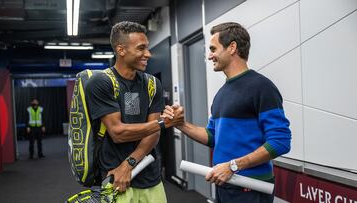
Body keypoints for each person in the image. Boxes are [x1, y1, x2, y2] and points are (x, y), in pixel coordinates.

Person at [162, 22, 292, 203]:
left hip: (249, 187)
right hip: (226, 184)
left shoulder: (262, 87)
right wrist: (180, 124)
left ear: (232, 47)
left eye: (213, 49)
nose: (209, 56)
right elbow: (213, 136)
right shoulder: (222, 94)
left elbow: (280, 142)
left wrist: (233, 166)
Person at [85, 21, 183, 202]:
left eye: (147, 48)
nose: (148, 54)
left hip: (150, 177)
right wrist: (162, 123)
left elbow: (154, 133)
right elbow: (118, 133)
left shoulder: (153, 84)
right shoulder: (102, 82)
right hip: (116, 179)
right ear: (121, 50)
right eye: (141, 48)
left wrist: (129, 164)